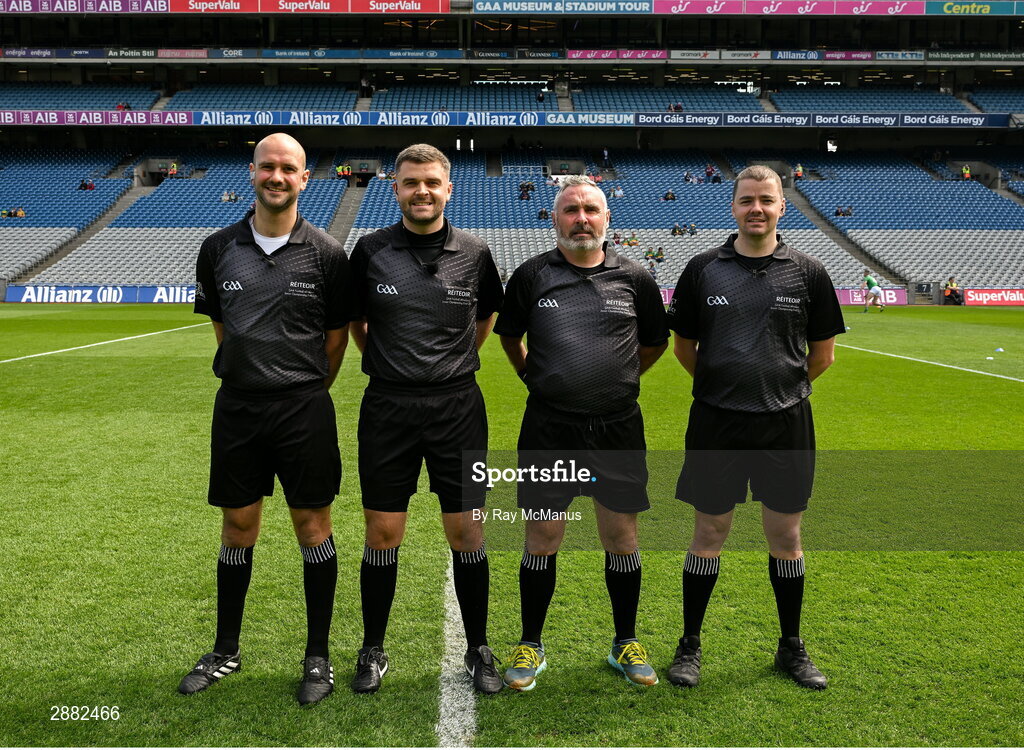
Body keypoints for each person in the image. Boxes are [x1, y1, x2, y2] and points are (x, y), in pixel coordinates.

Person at [183, 133, 352, 706]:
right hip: (238, 407)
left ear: (306, 178)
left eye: (289, 169)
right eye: (267, 167)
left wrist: (302, 389)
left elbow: (335, 341)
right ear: (251, 172)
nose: (277, 177)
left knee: (313, 529)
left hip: (304, 407)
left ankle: (318, 657)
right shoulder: (217, 247)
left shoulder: (327, 253)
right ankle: (226, 649)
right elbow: (222, 327)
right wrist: (250, 374)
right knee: (237, 527)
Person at [665, 164, 845, 692]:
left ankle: (791, 646)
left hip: (785, 423)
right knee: (708, 534)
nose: (756, 209)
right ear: (734, 206)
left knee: (786, 538)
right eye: (747, 200)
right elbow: (684, 347)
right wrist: (727, 390)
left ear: (781, 206)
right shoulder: (702, 269)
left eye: (766, 200)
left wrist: (777, 391)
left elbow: (823, 355)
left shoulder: (809, 272)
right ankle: (689, 645)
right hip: (716, 423)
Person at [494, 175, 668, 691]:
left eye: (591, 209)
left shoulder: (635, 277)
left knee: (622, 537)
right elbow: (508, 338)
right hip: (550, 429)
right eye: (571, 210)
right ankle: (531, 642)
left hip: (617, 428)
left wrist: (616, 378)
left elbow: (655, 344)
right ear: (555, 219)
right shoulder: (531, 276)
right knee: (543, 536)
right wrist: (537, 377)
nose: (582, 218)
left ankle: (625, 642)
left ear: (607, 219)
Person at [347, 144, 505, 695]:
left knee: (467, 531)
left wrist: (450, 364)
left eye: (432, 182)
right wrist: (391, 366)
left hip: (458, 407)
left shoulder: (476, 252)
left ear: (448, 188)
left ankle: (479, 646)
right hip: (388, 407)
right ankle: (373, 647)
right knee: (383, 532)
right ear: (396, 187)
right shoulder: (369, 251)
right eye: (412, 182)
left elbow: (484, 318)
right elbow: (357, 323)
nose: (422, 191)